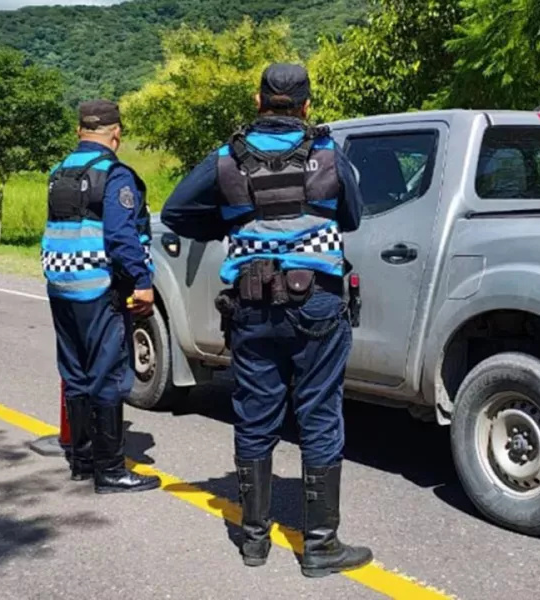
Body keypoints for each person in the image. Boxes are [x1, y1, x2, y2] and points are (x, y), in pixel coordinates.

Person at [161, 63, 371, 578]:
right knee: (320, 415)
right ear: (305, 105)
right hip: (318, 303)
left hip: (252, 305)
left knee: (256, 416)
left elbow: (175, 212)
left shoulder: (225, 159)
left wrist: (234, 222)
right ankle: (320, 547)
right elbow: (353, 217)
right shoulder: (328, 154)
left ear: (258, 101)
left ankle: (253, 541)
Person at [42, 100, 161, 495]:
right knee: (108, 373)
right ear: (116, 134)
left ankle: (83, 460)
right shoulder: (114, 175)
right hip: (100, 287)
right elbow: (121, 236)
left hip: (62, 284)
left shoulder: (59, 172)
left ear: (79, 132)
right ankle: (110, 471)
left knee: (74, 371)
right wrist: (142, 281)